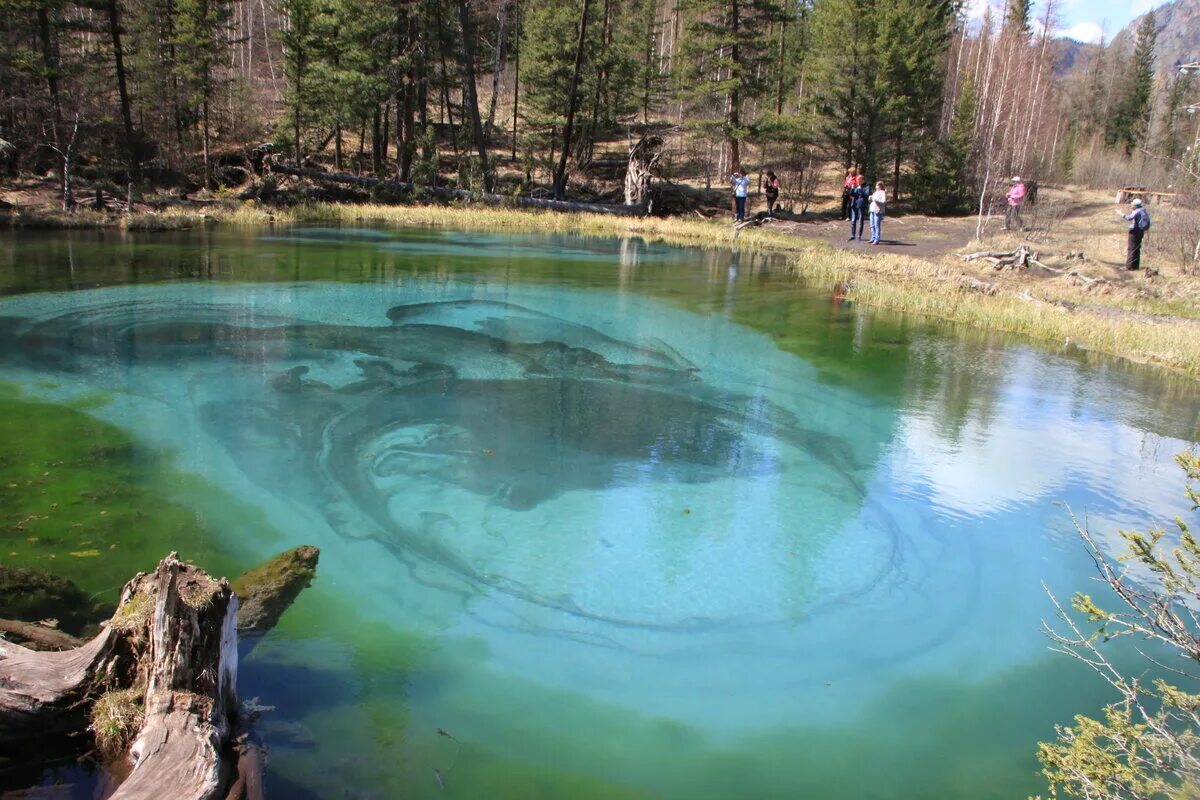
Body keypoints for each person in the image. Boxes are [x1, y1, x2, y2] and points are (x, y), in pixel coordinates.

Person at [1117, 197, 1151, 270]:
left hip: (1134, 231)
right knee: (1137, 248)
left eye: (1132, 204)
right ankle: (1136, 266)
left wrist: (1121, 214)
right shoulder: (1143, 210)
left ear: (1135, 205)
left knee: (1131, 248)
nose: (1131, 205)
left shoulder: (1136, 211)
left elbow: (1129, 218)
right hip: (1141, 231)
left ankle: (1129, 266)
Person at [848, 174, 869, 241]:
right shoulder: (856, 186)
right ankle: (853, 235)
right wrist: (852, 188)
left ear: (863, 180)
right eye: (857, 180)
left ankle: (859, 235)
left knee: (860, 221)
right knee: (853, 220)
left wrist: (860, 190)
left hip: (861, 205)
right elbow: (851, 195)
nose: (858, 181)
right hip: (854, 204)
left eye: (859, 180)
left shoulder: (866, 187)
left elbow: (866, 195)